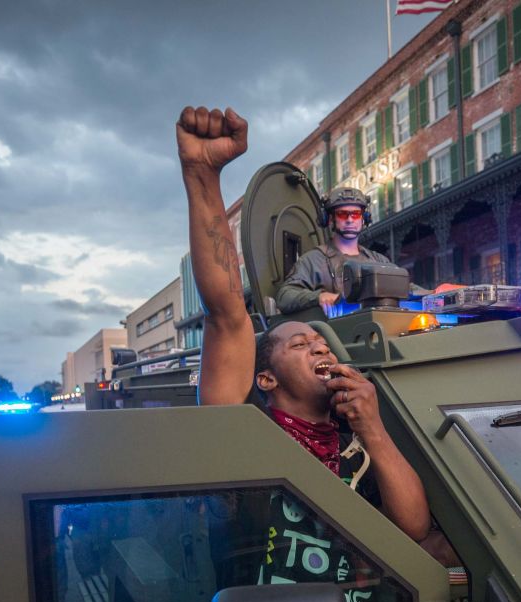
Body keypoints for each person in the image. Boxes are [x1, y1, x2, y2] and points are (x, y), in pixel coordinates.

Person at [177, 106, 432, 548]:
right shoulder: (248, 438)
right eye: (300, 342)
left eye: (324, 345)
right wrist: (202, 175)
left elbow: (412, 530)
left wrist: (372, 427)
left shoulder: (356, 445)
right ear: (265, 377)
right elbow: (227, 312)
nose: (321, 349)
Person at [275, 186, 394, 315]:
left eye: (355, 214)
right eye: (342, 214)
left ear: (363, 218)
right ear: (330, 219)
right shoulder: (314, 261)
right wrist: (319, 296)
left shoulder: (379, 261)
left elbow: (406, 287)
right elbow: (284, 296)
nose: (349, 220)